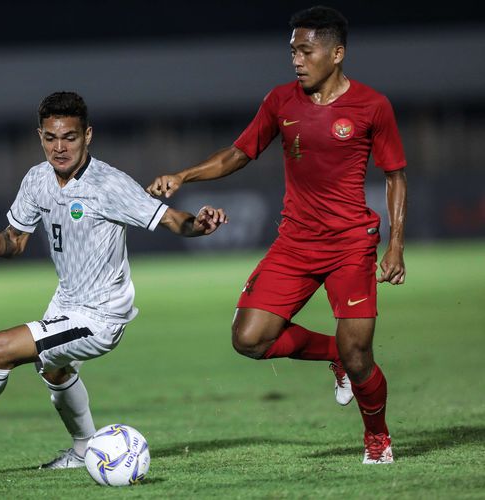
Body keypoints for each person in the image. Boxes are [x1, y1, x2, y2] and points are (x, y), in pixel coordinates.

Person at [0, 91, 228, 468]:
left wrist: (200, 224)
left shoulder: (109, 184)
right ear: (40, 136)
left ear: (87, 135)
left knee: (1, 348)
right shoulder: (36, 181)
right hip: (66, 303)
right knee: (55, 370)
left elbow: (173, 220)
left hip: (100, 315)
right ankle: (83, 450)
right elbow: (13, 243)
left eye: (70, 137)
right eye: (51, 137)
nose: (59, 147)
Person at [147, 6, 406, 464]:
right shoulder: (280, 100)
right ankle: (336, 355)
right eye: (292, 51)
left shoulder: (372, 105)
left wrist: (396, 244)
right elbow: (238, 153)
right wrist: (184, 176)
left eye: (306, 51)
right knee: (248, 339)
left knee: (361, 354)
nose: (296, 60)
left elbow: (395, 176)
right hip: (295, 243)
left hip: (350, 243)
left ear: (337, 53)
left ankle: (378, 440)